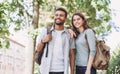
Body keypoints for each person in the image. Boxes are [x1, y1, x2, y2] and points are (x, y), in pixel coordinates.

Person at [36, 7, 75, 74]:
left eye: (61, 15)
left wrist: (72, 72)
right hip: (46, 70)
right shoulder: (45, 31)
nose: (58, 17)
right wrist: (43, 41)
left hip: (62, 70)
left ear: (65, 19)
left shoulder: (69, 34)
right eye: (56, 15)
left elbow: (72, 55)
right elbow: (38, 49)